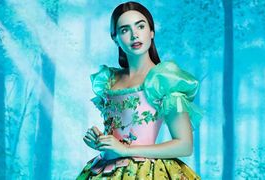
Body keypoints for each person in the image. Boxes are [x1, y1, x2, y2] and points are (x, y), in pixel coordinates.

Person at [77, 1, 203, 179]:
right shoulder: (109, 80)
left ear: (151, 32)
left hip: (147, 173)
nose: (134, 35)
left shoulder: (164, 80)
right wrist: (102, 143)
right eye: (124, 30)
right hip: (106, 170)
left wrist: (125, 149)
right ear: (115, 38)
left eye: (141, 26)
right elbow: (117, 135)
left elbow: (184, 145)